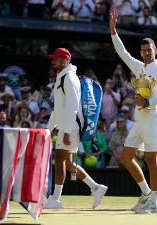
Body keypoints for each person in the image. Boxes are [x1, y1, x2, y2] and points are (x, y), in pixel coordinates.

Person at [110, 10, 157, 214]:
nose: (145, 53)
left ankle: (155, 202)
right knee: (126, 157)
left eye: (149, 50)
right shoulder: (139, 67)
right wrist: (113, 32)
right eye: (143, 50)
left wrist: (147, 102)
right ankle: (145, 194)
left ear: (155, 50)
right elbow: (122, 53)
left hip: (153, 120)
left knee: (152, 161)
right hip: (139, 121)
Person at [44, 48, 107, 209]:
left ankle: (56, 199)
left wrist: (65, 132)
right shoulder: (62, 77)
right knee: (68, 164)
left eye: (55, 59)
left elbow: (72, 107)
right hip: (68, 127)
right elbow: (58, 109)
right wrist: (48, 129)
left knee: (59, 160)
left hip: (70, 128)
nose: (53, 61)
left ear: (64, 61)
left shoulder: (69, 78)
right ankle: (96, 187)